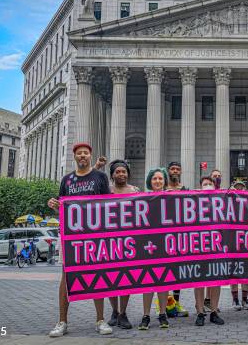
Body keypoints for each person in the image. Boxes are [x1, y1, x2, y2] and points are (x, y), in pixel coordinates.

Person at [47, 143, 113, 337]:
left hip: (94, 234)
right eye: (79, 153)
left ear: (90, 156)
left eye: (86, 153)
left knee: (97, 275)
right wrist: (54, 205)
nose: (82, 156)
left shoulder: (100, 177)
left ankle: (100, 320)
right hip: (71, 236)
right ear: (75, 156)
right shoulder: (66, 180)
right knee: (66, 277)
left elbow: (108, 204)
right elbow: (62, 206)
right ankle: (62, 321)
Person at [106, 160, 139, 330]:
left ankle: (123, 313)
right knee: (111, 278)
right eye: (117, 172)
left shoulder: (135, 191)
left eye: (123, 172)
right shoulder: (106, 191)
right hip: (110, 239)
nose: (121, 174)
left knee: (126, 278)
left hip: (129, 240)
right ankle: (114, 310)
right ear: (112, 174)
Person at [138, 168, 171, 330]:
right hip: (148, 246)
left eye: (160, 179)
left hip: (165, 245)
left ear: (164, 181)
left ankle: (162, 314)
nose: (157, 181)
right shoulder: (143, 199)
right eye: (154, 179)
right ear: (150, 181)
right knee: (148, 282)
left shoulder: (171, 198)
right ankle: (146, 315)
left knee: (163, 282)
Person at [193, 176, 225, 326]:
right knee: (199, 281)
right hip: (199, 247)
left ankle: (213, 311)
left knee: (216, 280)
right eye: (204, 184)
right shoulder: (193, 203)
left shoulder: (222, 202)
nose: (207, 186)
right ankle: (200, 311)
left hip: (216, 246)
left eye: (209, 184)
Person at [164, 161, 190, 317]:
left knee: (177, 273)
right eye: (172, 168)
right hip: (164, 234)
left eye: (177, 169)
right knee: (166, 272)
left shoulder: (185, 189)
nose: (175, 171)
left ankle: (176, 303)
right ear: (168, 171)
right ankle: (166, 305)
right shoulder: (162, 188)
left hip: (179, 234)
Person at [229, 180, 248, 310]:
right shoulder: (228, 202)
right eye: (236, 188)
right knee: (233, 271)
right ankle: (235, 299)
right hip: (232, 241)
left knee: (246, 271)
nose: (239, 190)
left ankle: (245, 298)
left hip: (245, 241)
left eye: (241, 188)